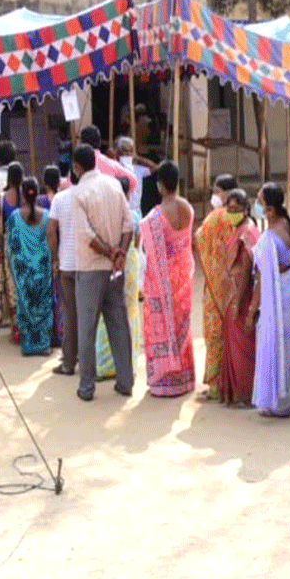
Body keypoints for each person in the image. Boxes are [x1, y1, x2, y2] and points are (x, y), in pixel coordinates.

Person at [71, 144, 136, 401]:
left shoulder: (80, 193)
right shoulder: (113, 185)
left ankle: (87, 386)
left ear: (77, 167)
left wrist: (111, 252)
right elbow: (128, 223)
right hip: (114, 268)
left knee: (87, 327)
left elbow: (86, 235)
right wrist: (120, 252)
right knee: (118, 324)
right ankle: (125, 380)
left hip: (91, 268)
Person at [137, 160, 196, 396]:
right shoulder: (188, 208)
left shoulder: (156, 216)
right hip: (185, 274)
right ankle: (184, 376)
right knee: (182, 324)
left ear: (160, 185)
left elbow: (148, 251)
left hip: (163, 280)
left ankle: (165, 378)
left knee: (162, 324)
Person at [249, 182, 290, 417]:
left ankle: (280, 401)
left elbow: (262, 278)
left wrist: (253, 307)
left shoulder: (270, 238)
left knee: (279, 347)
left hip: (281, 295)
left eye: (260, 201)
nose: (257, 205)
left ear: (269, 208)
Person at [192, 174, 241, 400]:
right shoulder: (240, 216)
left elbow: (199, 239)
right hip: (236, 286)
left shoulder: (214, 218)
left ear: (224, 192)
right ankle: (233, 381)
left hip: (214, 286)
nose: (214, 196)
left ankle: (215, 384)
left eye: (216, 191)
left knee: (214, 335)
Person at [97, 176, 143, 382]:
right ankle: (128, 361)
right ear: (129, 193)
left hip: (109, 262)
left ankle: (106, 364)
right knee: (129, 311)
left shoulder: (103, 215)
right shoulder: (133, 215)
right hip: (130, 263)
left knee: (106, 311)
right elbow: (138, 242)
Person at [219, 189, 261, 407]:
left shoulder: (246, 233)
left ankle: (244, 393)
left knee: (242, 347)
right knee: (238, 345)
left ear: (246, 209)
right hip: (234, 296)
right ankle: (237, 392)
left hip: (241, 298)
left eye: (236, 209)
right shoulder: (241, 229)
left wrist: (238, 302)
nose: (231, 212)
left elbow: (246, 269)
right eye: (229, 208)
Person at [6, 177, 54, 356]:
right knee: (43, 304)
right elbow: (50, 240)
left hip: (23, 270)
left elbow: (11, 245)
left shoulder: (14, 217)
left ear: (22, 194)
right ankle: (43, 345)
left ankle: (28, 345)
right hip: (42, 268)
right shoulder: (47, 216)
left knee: (25, 304)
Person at [47, 167, 80, 377]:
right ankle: (91, 361)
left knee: (70, 314)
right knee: (91, 314)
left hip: (67, 263)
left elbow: (51, 231)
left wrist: (56, 258)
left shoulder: (60, 198)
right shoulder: (93, 194)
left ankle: (69, 362)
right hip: (90, 264)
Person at [0, 163, 24, 334]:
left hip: (9, 246)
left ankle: (14, 328)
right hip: (26, 245)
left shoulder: (1, 199)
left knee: (11, 287)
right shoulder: (27, 196)